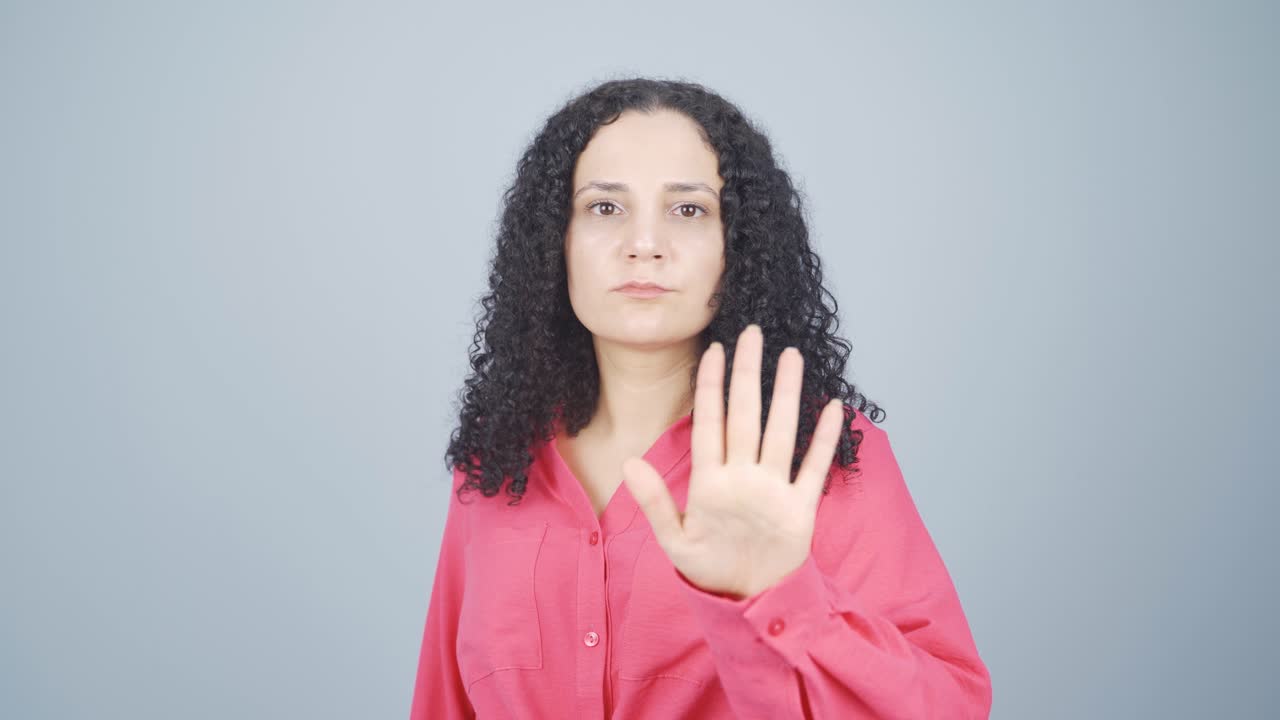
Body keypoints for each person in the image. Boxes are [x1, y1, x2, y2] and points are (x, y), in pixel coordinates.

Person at [409, 76, 992, 719]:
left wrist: (780, 596)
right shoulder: (500, 454)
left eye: (688, 210)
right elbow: (442, 702)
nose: (644, 244)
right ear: (557, 242)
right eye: (605, 207)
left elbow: (946, 706)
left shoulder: (820, 452)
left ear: (735, 248)